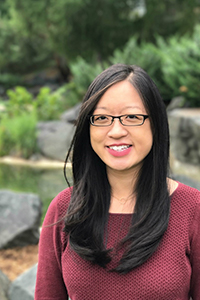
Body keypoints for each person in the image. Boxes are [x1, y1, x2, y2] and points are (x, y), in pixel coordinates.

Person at [35, 64, 200, 300]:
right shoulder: (64, 209)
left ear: (156, 124)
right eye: (101, 118)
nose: (116, 131)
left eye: (132, 117)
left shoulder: (193, 208)